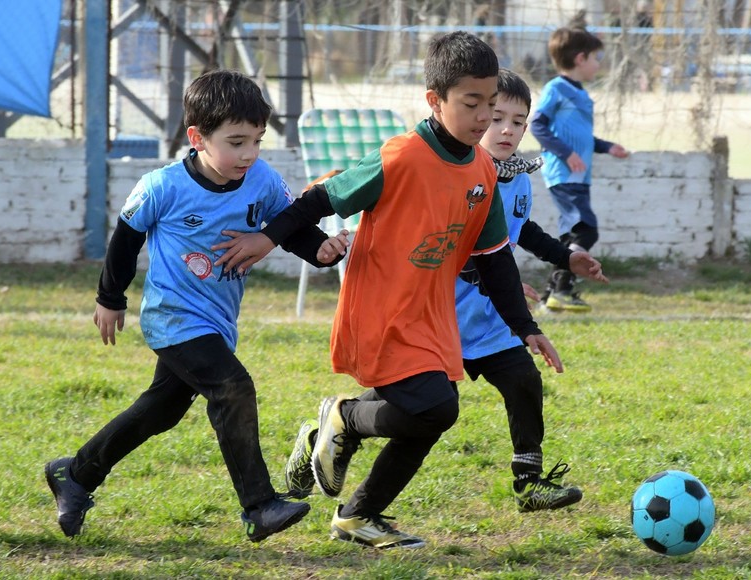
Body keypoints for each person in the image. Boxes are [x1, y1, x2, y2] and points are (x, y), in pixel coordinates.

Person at [212, 31, 564, 549]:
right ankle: (345, 418)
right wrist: (267, 239)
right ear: (435, 100)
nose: (485, 117)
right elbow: (318, 201)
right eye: (471, 104)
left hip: (431, 315)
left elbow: (494, 260)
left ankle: (359, 516)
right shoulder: (400, 157)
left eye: (491, 104)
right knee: (437, 407)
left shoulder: (483, 169)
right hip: (381, 310)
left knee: (430, 414)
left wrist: (526, 328)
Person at [44, 69, 349, 543]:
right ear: (197, 137)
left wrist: (322, 250)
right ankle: (259, 506)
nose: (248, 154)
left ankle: (76, 473)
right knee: (233, 388)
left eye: (257, 141)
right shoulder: (162, 186)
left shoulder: (262, 180)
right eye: (236, 142)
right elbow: (125, 241)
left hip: (217, 320)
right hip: (173, 316)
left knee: (161, 410)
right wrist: (110, 298)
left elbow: (290, 227)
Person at [456, 68, 608, 512]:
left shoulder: (517, 177)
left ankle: (530, 483)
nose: (506, 129)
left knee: (523, 379)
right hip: (440, 314)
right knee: (414, 406)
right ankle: (344, 422)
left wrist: (566, 257)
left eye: (518, 121)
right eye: (496, 116)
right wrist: (495, 277)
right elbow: (449, 249)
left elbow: (521, 230)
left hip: (490, 316)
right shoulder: (458, 174)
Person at [531, 27, 629, 313]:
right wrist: (567, 153)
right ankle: (562, 289)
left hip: (578, 175)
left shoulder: (581, 94)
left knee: (572, 236)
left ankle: (550, 296)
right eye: (597, 58)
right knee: (587, 230)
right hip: (562, 172)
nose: (599, 64)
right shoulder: (555, 88)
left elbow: (583, 136)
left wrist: (607, 147)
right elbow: (537, 124)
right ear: (580, 58)